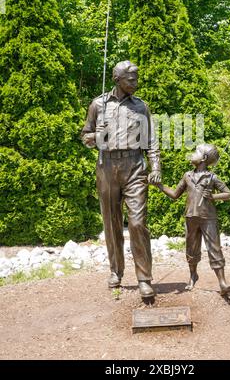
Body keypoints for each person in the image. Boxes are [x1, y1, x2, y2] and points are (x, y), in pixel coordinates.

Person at [81, 60, 161, 299]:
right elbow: (85, 137)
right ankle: (116, 271)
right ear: (117, 79)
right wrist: (97, 135)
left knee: (137, 223)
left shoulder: (141, 107)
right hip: (107, 168)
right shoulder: (98, 104)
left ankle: (144, 278)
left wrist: (155, 165)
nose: (136, 83)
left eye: (136, 78)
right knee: (112, 222)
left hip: (134, 166)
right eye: (131, 79)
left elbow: (151, 141)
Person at [154, 143, 230, 295]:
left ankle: (222, 282)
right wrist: (160, 186)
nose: (192, 154)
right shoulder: (187, 176)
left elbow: (228, 194)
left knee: (214, 248)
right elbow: (175, 195)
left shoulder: (212, 177)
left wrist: (213, 196)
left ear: (203, 158)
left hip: (208, 218)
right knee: (191, 249)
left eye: (195, 151)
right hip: (191, 217)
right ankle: (193, 275)